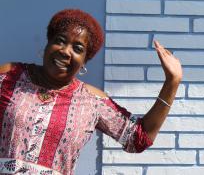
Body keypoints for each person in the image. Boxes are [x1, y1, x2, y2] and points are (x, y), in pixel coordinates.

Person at [0, 9, 182, 174]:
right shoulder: (10, 76)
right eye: (60, 41)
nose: (65, 51)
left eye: (77, 49)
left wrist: (172, 82)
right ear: (48, 44)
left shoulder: (91, 101)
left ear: (84, 61)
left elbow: (138, 137)